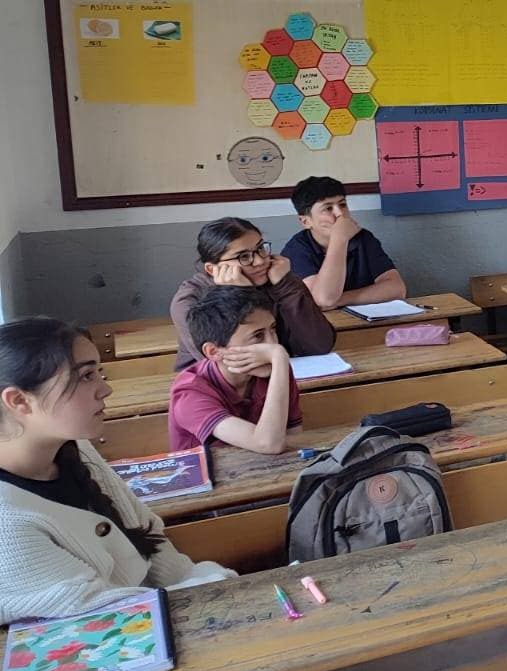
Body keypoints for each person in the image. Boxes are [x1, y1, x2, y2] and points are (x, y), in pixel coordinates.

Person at [0, 317, 233, 623]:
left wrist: (194, 579)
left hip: (167, 617)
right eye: (85, 377)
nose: (105, 389)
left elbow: (148, 538)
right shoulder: (7, 523)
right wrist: (211, 583)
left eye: (99, 372)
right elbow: (100, 611)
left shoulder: (76, 448)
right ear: (20, 401)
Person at [170, 217, 335, 371]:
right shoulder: (189, 301)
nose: (260, 261)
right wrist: (239, 293)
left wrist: (285, 285)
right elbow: (230, 365)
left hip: (284, 374)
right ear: (212, 269)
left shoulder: (277, 279)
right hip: (212, 388)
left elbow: (320, 344)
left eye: (260, 248)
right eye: (243, 257)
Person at [168, 287, 302, 454]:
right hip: (211, 478)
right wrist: (279, 358)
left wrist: (278, 363)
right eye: (258, 335)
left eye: (273, 329)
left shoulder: (274, 367)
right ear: (214, 352)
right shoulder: (190, 392)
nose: (272, 344)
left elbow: (294, 436)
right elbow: (268, 444)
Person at [283, 176, 407, 310]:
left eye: (342, 205)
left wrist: (339, 301)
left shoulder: (363, 238)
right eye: (328, 208)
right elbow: (325, 298)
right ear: (306, 221)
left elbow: (397, 289)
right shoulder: (296, 250)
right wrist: (339, 239)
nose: (340, 213)